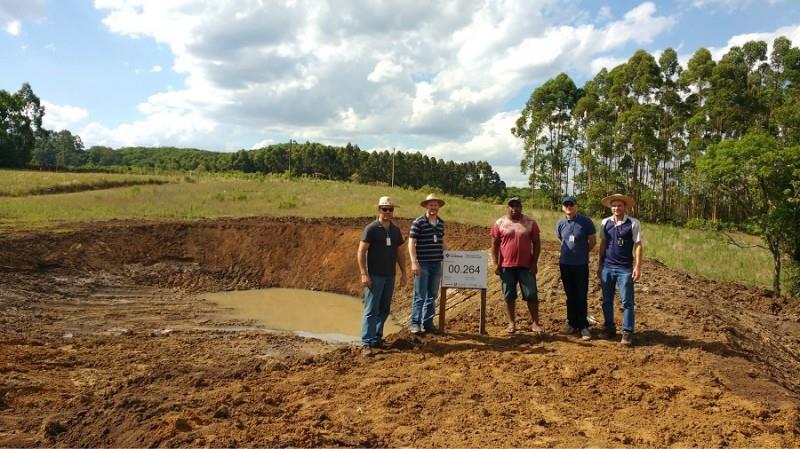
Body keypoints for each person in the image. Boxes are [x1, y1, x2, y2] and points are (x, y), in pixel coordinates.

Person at [357, 196, 408, 354]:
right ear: (379, 210)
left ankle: (376, 338)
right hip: (374, 275)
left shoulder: (395, 230)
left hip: (389, 276)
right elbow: (361, 251)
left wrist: (404, 273)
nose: (387, 212)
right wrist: (364, 273)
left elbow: (400, 253)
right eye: (384, 209)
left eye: (390, 209)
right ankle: (366, 342)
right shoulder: (371, 229)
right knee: (371, 309)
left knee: (384, 308)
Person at [491, 197, 542, 335]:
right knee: (508, 295)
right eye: (512, 206)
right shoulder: (500, 223)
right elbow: (495, 245)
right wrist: (496, 263)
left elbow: (537, 243)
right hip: (506, 266)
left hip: (526, 266)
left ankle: (535, 323)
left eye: (517, 206)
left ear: (521, 207)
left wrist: (534, 263)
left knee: (531, 294)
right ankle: (511, 322)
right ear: (507, 207)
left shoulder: (530, 223)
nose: (515, 208)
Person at [597, 193, 642, 346]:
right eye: (614, 205)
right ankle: (609, 328)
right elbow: (603, 243)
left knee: (627, 302)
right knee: (607, 300)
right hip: (607, 267)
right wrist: (599, 264)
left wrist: (637, 266)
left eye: (619, 205)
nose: (616, 208)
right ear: (611, 207)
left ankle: (628, 332)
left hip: (625, 269)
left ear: (624, 207)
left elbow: (638, 245)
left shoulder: (633, 224)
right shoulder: (605, 223)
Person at [556, 195, 597, 341]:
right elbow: (561, 239)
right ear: (563, 207)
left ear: (576, 206)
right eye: (566, 205)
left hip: (580, 264)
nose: (569, 207)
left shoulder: (585, 222)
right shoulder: (560, 223)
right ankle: (571, 323)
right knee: (570, 296)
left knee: (581, 296)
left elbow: (592, 241)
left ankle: (583, 326)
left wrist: (581, 253)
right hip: (565, 264)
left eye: (571, 204)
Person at [408, 193, 446, 334]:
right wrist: (414, 262)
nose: (433, 207)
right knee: (420, 295)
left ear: (438, 207)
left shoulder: (441, 223)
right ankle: (415, 324)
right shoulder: (418, 222)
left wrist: (448, 256)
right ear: (426, 206)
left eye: (435, 205)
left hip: (437, 264)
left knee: (432, 295)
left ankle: (428, 324)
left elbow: (442, 241)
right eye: (431, 205)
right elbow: (411, 242)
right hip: (422, 263)